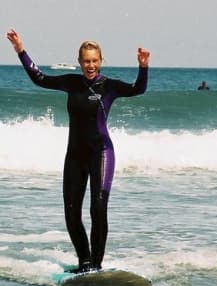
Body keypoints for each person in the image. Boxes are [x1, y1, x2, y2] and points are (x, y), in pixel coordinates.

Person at [7, 29, 150, 273]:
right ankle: (84, 262)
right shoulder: (71, 83)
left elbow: (138, 89)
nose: (90, 65)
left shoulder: (109, 86)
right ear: (80, 61)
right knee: (71, 213)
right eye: (86, 61)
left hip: (101, 153)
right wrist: (21, 50)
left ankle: (96, 265)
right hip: (74, 156)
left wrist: (143, 67)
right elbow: (39, 78)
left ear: (101, 61)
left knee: (98, 208)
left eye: (94, 60)